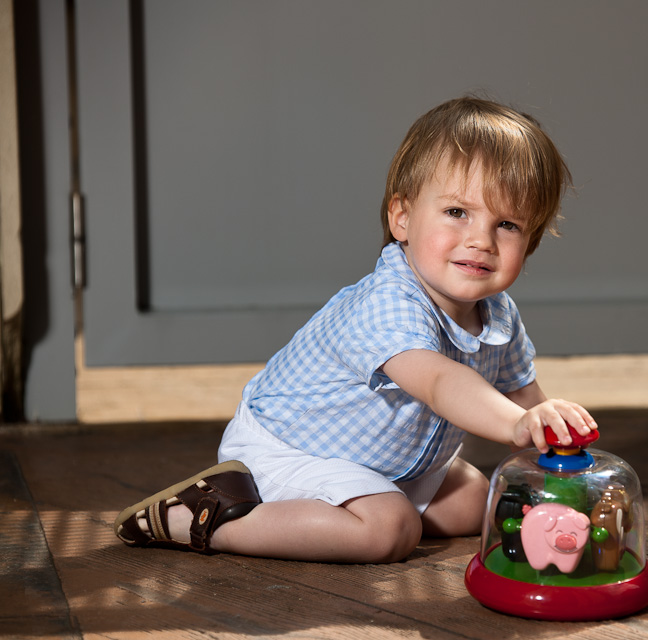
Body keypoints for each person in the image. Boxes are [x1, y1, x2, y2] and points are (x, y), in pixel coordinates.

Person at [114, 96, 598, 563]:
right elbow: (439, 381)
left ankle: (349, 509)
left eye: (508, 224)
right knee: (390, 529)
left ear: (530, 240)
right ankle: (211, 520)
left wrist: (551, 437)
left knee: (483, 500)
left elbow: (522, 393)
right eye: (457, 212)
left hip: (392, 462)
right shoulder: (386, 302)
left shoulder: (499, 312)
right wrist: (514, 425)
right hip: (293, 448)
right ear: (402, 217)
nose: (480, 240)